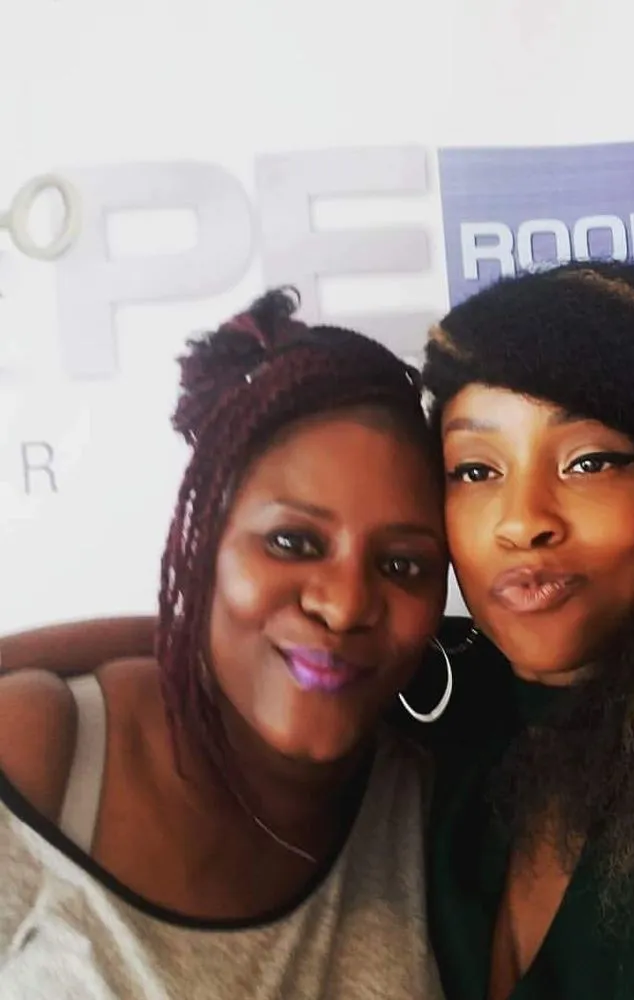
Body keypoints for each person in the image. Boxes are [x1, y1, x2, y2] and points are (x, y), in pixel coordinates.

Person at [6, 262, 634, 1000]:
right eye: (477, 470)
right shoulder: (448, 718)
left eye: (589, 462)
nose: (523, 519)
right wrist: (197, 630)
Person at [0, 290, 450, 999]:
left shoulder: (431, 793)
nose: (343, 606)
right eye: (293, 542)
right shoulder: (47, 752)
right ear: (205, 541)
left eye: (402, 565)